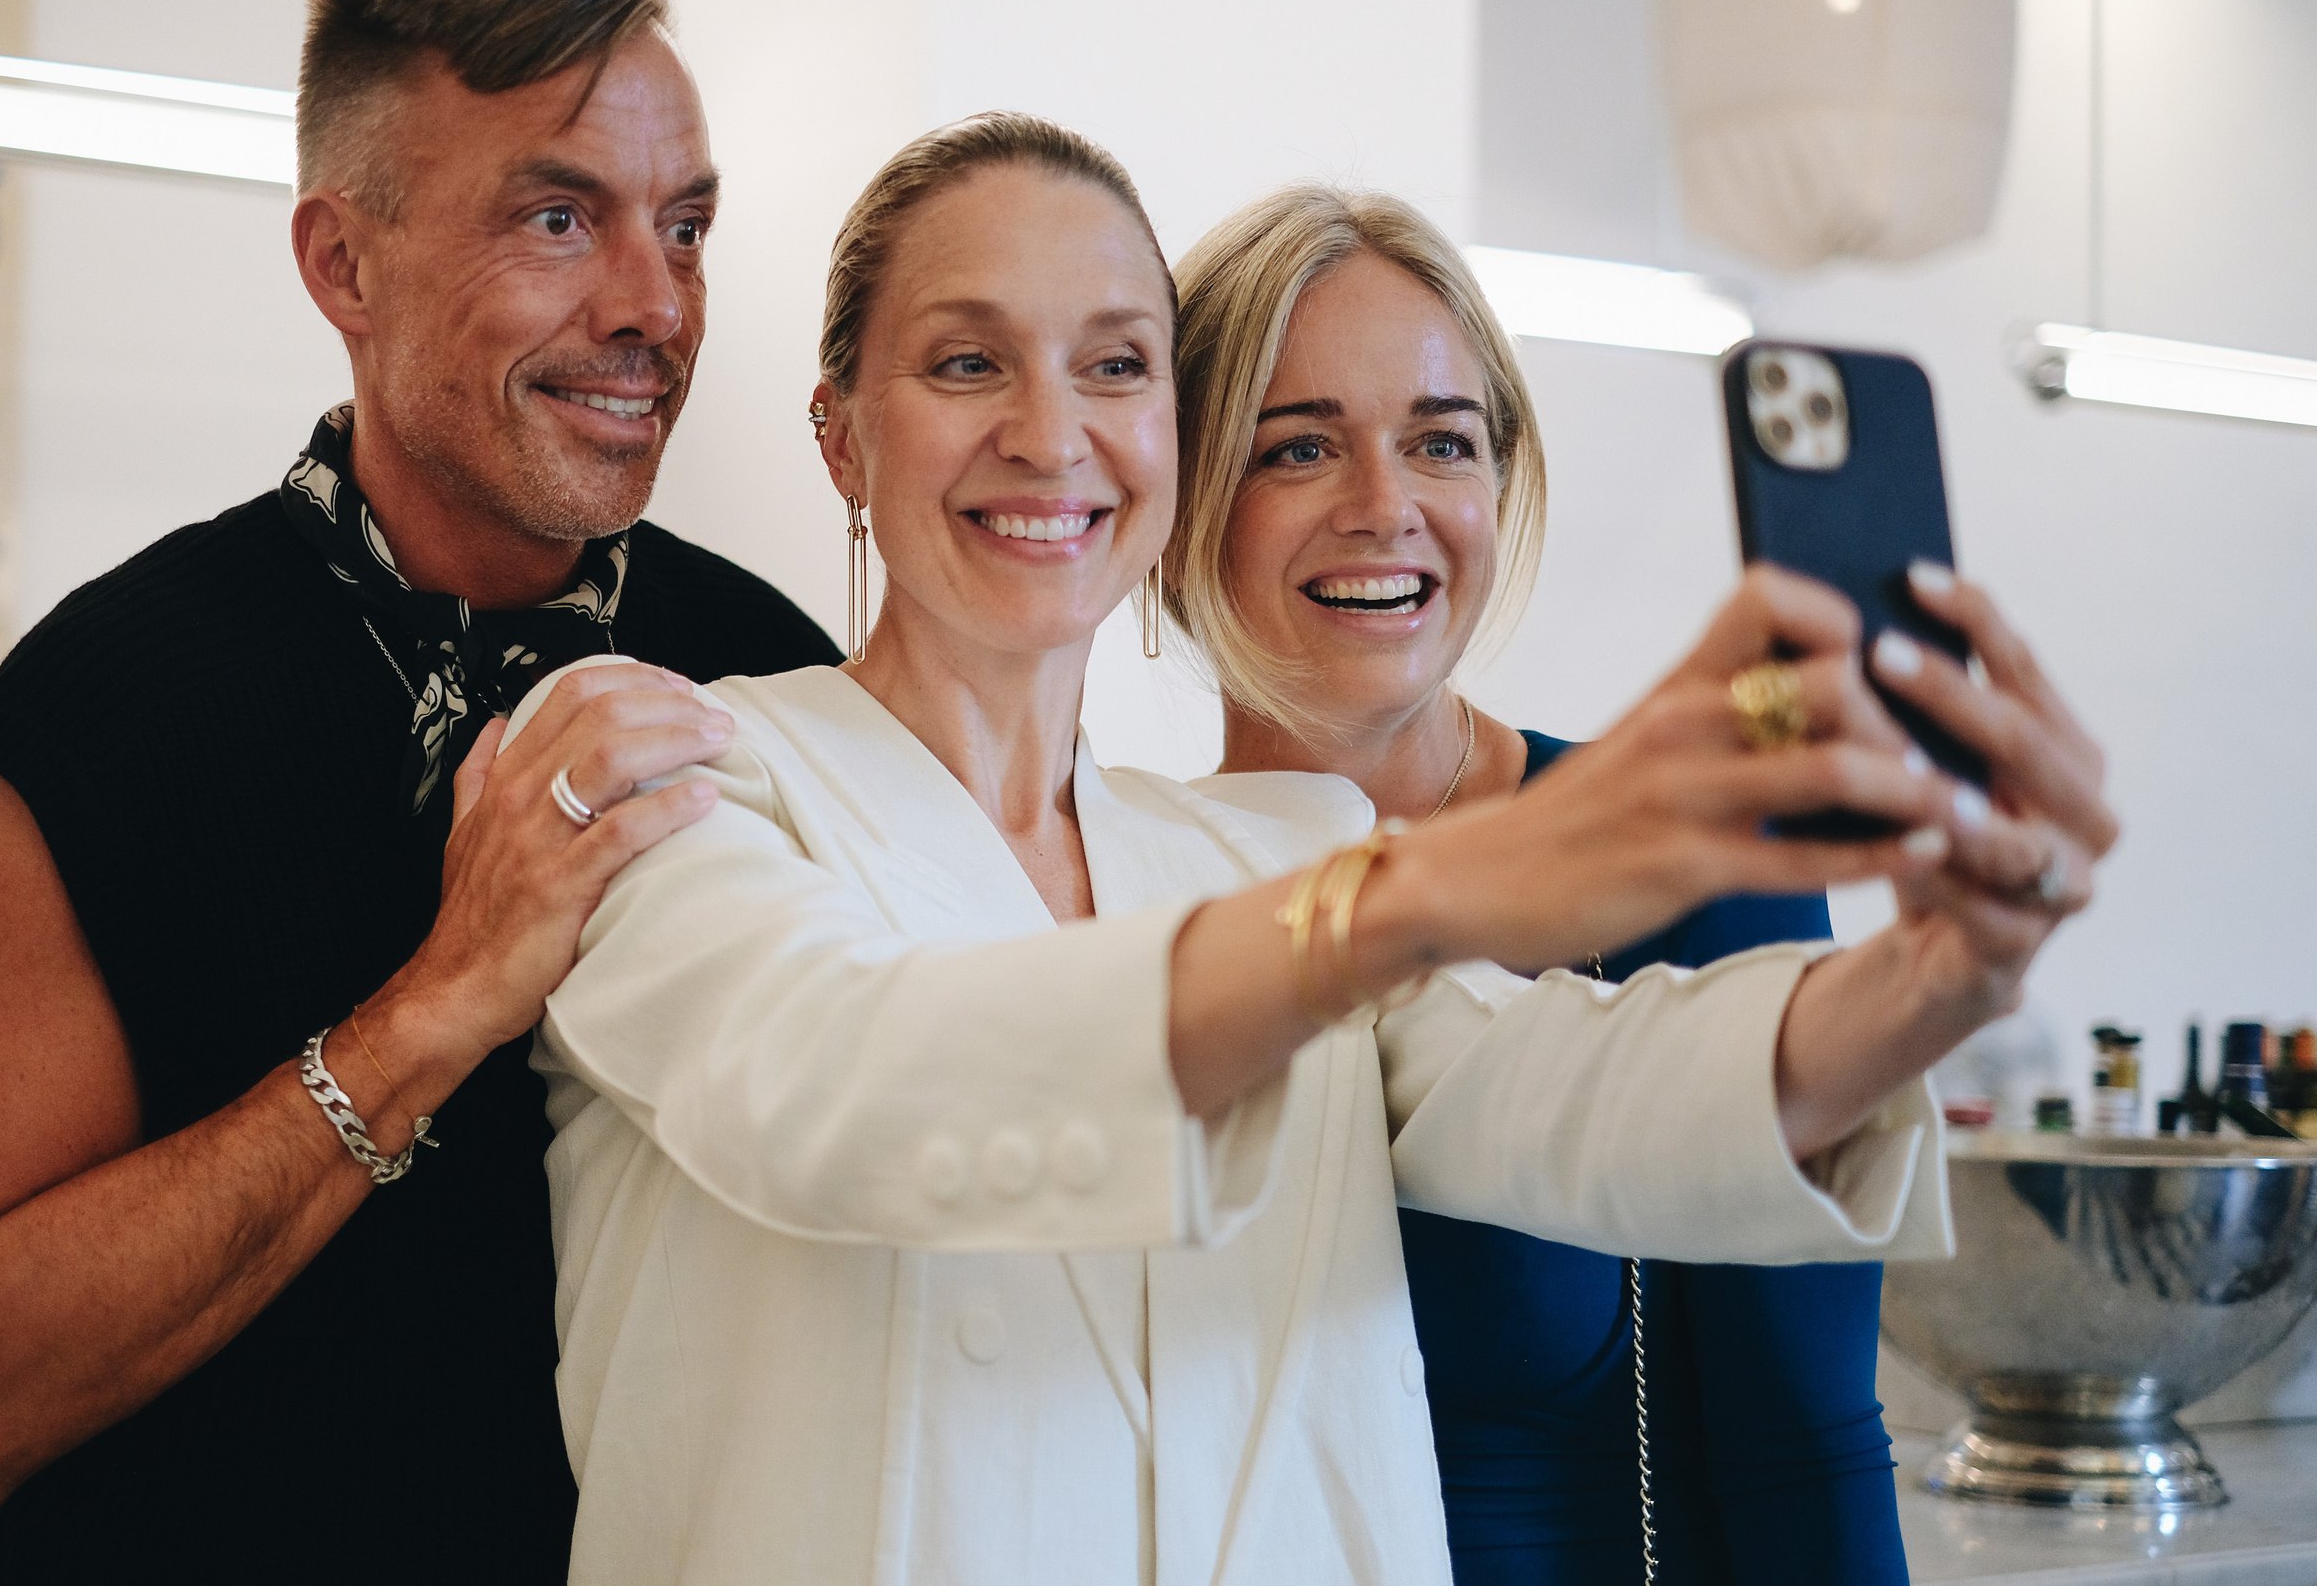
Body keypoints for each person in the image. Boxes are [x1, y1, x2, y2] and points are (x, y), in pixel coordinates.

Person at [511, 112, 2109, 1584]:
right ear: (841, 437)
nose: (1054, 434)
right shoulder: (668, 772)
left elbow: (1592, 1099)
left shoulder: (1248, 853)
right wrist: (1421, 893)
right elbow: (842, 1085)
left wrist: (1948, 967)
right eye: (966, 364)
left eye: (1118, 364)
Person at [0, 0, 836, 1583]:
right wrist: (441, 1004)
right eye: (558, 219)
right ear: (344, 264)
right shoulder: (113, 705)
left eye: (683, 228)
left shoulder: (773, 677)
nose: (654, 306)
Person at [1163, 184, 2105, 1581]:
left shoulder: (1667, 854)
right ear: (1173, 490)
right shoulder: (1113, 884)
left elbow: (1800, 1434)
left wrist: (1944, 976)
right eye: (1296, 448)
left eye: (1443, 442)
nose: (1387, 508)